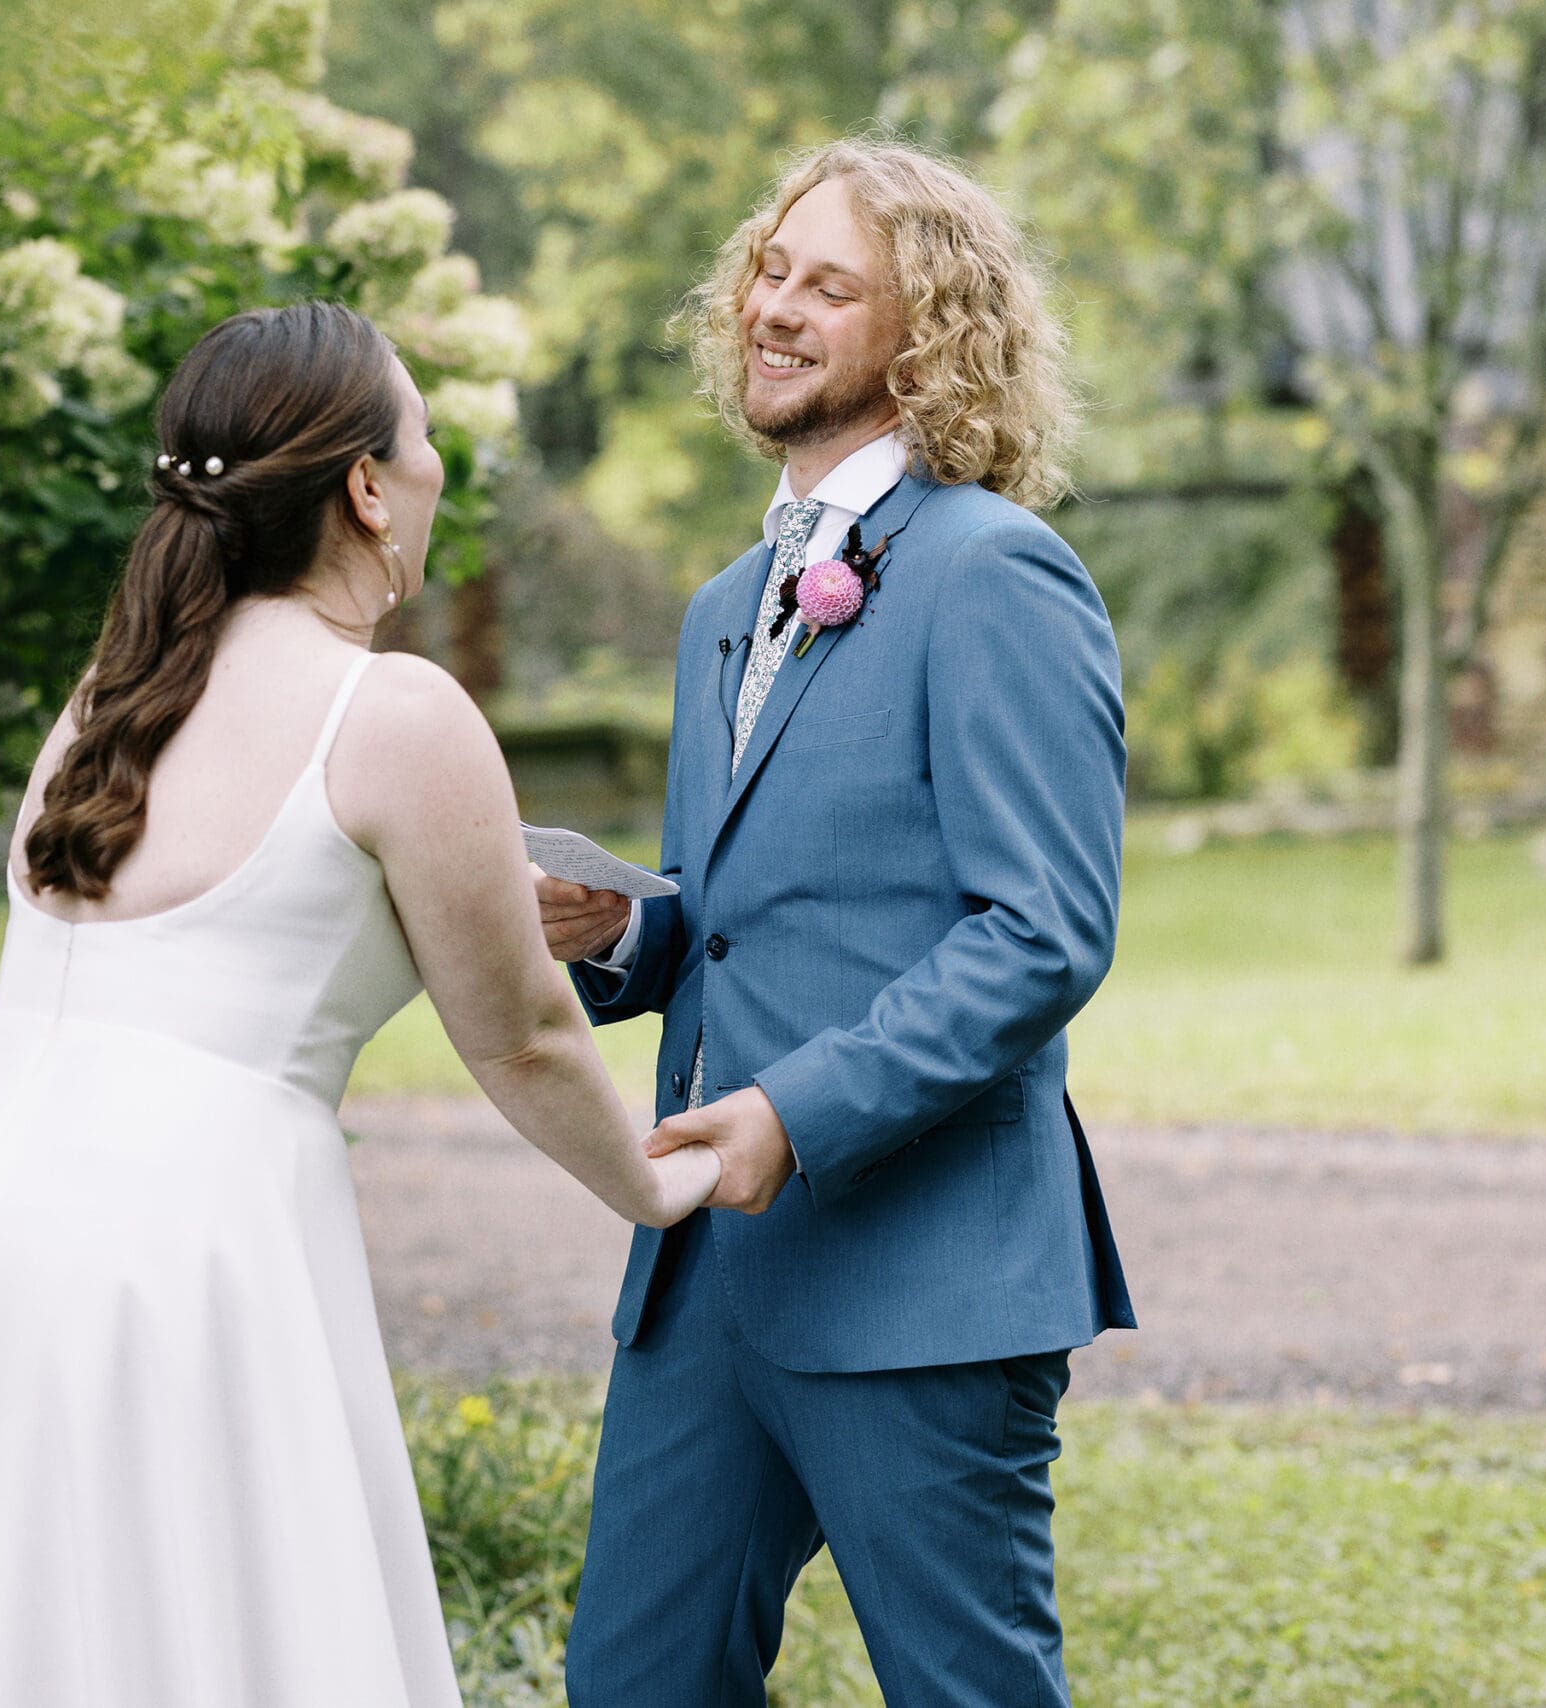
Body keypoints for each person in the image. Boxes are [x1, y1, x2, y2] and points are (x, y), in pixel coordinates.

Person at [0, 301, 719, 1708]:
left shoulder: (110, 694)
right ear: (363, 484)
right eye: (421, 445)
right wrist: (654, 1190)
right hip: (178, 1254)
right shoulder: (394, 712)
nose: (431, 477)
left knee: (16, 1644)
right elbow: (525, 1033)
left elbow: (225, 933)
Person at [536, 138, 1135, 1708]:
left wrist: (793, 1120)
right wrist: (612, 929)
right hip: (703, 1284)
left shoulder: (998, 573)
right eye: (770, 270)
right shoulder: (725, 605)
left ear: (929, 332)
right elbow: (724, 924)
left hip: (920, 1275)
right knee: (632, 1687)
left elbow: (1043, 931)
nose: (776, 308)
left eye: (833, 285)